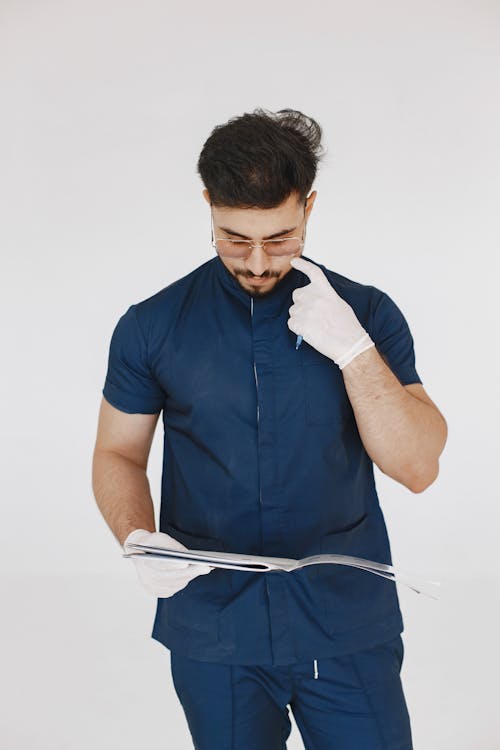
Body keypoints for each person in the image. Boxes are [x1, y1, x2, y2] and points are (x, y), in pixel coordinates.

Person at [92, 108, 447, 749]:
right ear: (207, 206)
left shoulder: (365, 312)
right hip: (214, 627)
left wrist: (356, 353)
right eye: (234, 238)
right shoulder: (151, 326)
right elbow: (118, 452)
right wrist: (137, 536)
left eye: (281, 238)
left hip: (346, 623)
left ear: (309, 207)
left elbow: (418, 467)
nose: (257, 262)